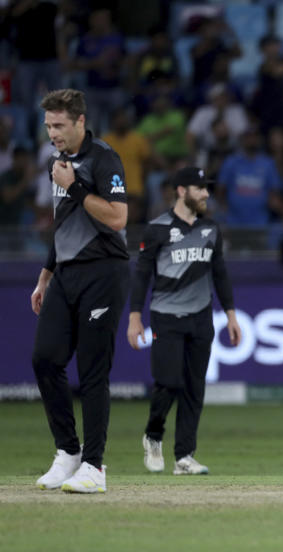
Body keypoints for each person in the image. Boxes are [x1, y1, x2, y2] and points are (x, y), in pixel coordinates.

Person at [32, 89, 130, 493]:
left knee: (92, 371)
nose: (52, 133)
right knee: (45, 360)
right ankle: (68, 452)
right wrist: (45, 273)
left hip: (104, 272)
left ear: (79, 122)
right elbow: (65, 222)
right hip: (66, 274)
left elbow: (119, 218)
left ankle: (94, 466)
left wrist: (73, 187)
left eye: (58, 126)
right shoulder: (60, 163)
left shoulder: (104, 158)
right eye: (47, 126)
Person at [127, 167, 242, 476]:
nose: (206, 194)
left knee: (194, 388)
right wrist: (134, 317)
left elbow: (220, 274)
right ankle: (153, 435)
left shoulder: (210, 229)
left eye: (207, 188)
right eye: (200, 188)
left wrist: (231, 315)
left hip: (201, 318)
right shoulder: (157, 229)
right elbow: (141, 276)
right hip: (167, 317)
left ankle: (184, 457)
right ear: (181, 191)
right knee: (169, 383)